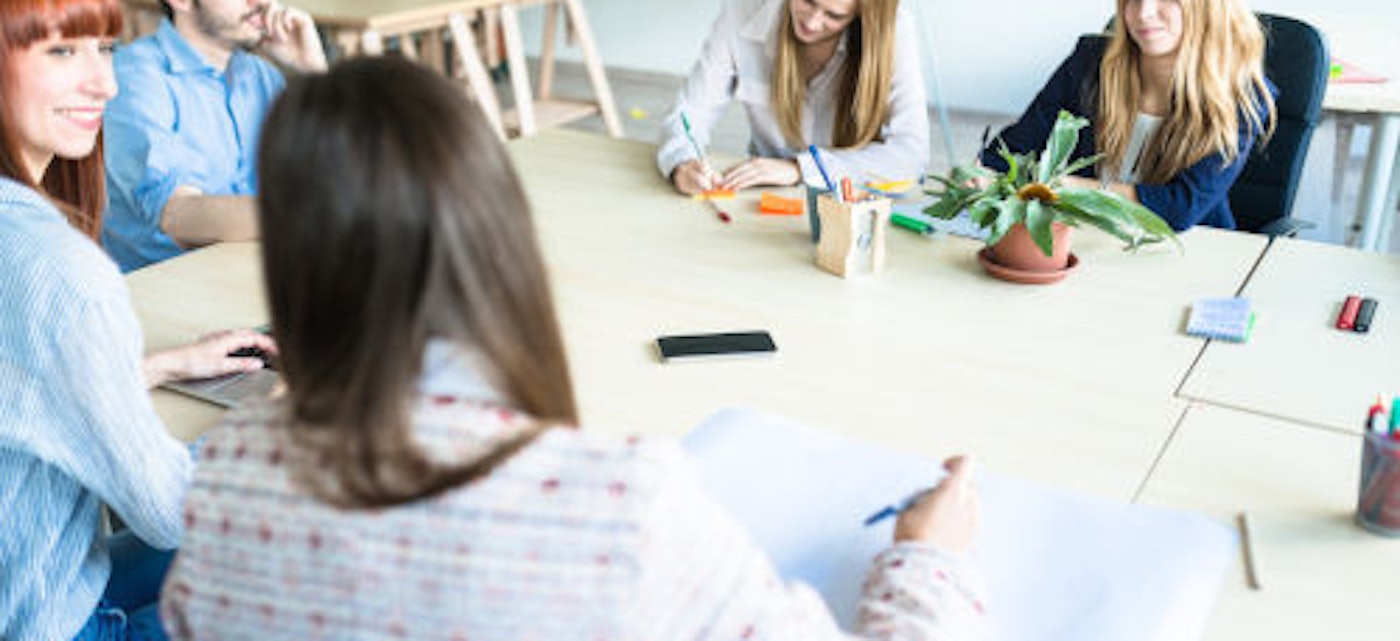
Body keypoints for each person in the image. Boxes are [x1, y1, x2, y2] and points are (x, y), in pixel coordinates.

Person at [161, 56, 987, 640]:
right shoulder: (622, 504)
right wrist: (926, 560)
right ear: (501, 229)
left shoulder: (224, 473)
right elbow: (684, 117)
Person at [0, 0, 277, 638]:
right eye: (63, 51)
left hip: (34, 575)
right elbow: (174, 512)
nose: (106, 82)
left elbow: (22, 384)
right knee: (298, 550)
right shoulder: (66, 275)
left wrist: (152, 367)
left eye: (104, 49)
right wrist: (276, 415)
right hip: (51, 616)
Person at [980, 0, 1275, 231]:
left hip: (1186, 253)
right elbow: (1010, 151)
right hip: (1082, 240)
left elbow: (1180, 208)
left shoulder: (1240, 98)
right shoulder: (1089, 63)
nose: (1143, 13)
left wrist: (1067, 189)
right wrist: (984, 177)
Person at [100, 0, 327, 271]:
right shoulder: (136, 77)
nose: (261, 3)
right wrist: (308, 215)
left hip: (249, 272)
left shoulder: (260, 75)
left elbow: (333, 172)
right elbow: (178, 215)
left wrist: (315, 73)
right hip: (168, 287)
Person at [658, 0, 928, 195]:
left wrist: (800, 169)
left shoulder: (894, 30)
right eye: (807, 1)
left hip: (853, 201)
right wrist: (683, 162)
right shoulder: (741, 10)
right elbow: (690, 112)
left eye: (834, 15)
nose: (811, 23)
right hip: (761, 196)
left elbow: (911, 156)